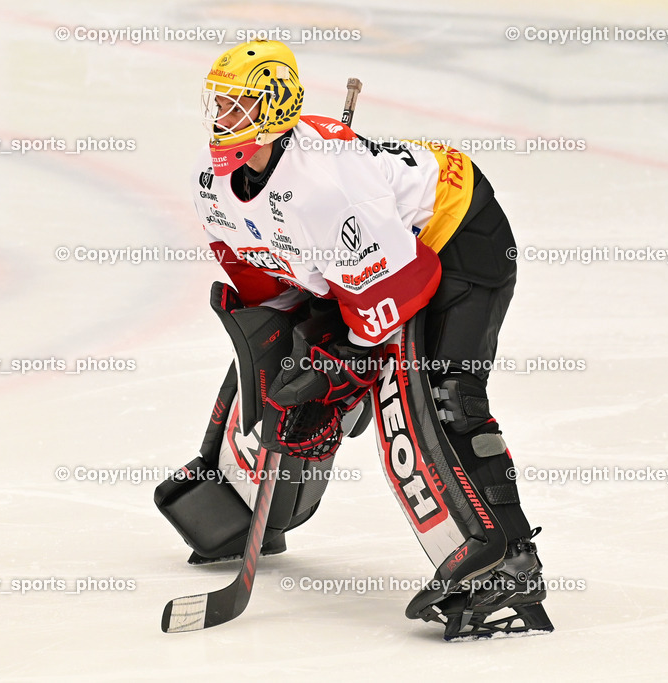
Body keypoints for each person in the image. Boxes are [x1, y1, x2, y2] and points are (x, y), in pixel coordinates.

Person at [156, 39, 552, 640]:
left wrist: (343, 365)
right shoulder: (210, 184)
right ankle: (239, 504)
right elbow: (268, 285)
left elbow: (405, 285)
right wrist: (304, 353)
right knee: (283, 363)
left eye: (239, 105)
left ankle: (507, 565)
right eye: (219, 104)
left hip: (454, 234)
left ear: (274, 109)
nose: (222, 118)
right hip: (380, 257)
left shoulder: (326, 187)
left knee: (436, 395)